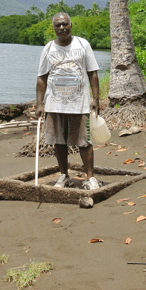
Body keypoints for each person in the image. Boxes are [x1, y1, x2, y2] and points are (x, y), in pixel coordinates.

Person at [36, 12, 101, 190]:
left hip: (79, 104)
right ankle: (64, 175)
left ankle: (90, 178)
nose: (62, 28)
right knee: (58, 141)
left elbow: (93, 73)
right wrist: (39, 104)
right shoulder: (48, 48)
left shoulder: (83, 44)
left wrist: (96, 98)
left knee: (84, 142)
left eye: (65, 24)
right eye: (58, 25)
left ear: (71, 25)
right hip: (54, 104)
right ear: (54, 28)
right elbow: (42, 78)